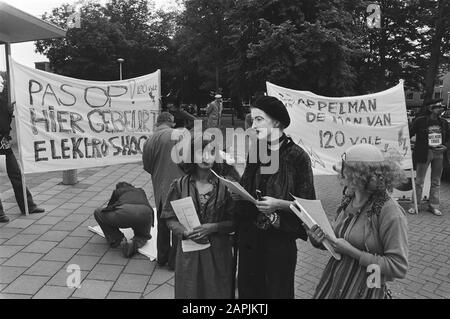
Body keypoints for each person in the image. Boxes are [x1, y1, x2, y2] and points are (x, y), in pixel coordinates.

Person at [234, 96, 316, 299]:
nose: (254, 126)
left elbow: (308, 205)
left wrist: (279, 204)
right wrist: (237, 191)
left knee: (277, 291)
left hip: (280, 240)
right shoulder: (258, 149)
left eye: (259, 120)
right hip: (251, 237)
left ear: (277, 122)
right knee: (249, 291)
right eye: (253, 120)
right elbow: (247, 186)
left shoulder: (297, 156)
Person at [308, 144, 409, 299]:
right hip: (335, 284)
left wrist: (352, 252)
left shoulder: (390, 211)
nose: (340, 175)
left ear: (359, 175)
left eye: (345, 171)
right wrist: (320, 239)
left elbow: (398, 266)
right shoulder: (349, 198)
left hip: (367, 288)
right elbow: (339, 241)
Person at [161, 136, 235, 299]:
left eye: (211, 152)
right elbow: (169, 218)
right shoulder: (179, 185)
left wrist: (213, 227)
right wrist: (184, 232)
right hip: (189, 254)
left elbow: (236, 221)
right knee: (189, 292)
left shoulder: (226, 186)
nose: (206, 157)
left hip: (217, 253)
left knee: (217, 292)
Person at [142, 112, 185, 269]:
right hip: (178, 186)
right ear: (171, 122)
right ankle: (174, 262)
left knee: (163, 224)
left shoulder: (149, 141)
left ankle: (162, 258)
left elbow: (147, 166)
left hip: (160, 187)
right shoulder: (177, 135)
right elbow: (186, 159)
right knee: (178, 224)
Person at [0, 74, 44, 223]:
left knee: (16, 175)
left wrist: (10, 110)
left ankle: (28, 205)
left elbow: (6, 121)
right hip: (2, 142)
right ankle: (0, 213)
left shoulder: (4, 98)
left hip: (3, 144)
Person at [408, 98, 449, 216]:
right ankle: (414, 204)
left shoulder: (444, 123)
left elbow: (449, 138)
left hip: (439, 153)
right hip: (424, 152)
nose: (440, 109)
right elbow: (409, 133)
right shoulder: (420, 121)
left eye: (441, 107)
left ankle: (434, 206)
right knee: (419, 180)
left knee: (436, 181)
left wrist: (445, 147)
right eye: (438, 107)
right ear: (431, 109)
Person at [94, 182, 154, 258]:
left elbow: (109, 207)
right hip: (146, 213)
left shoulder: (117, 191)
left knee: (98, 212)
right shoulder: (140, 190)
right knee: (142, 236)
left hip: (125, 212)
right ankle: (133, 243)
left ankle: (118, 239)